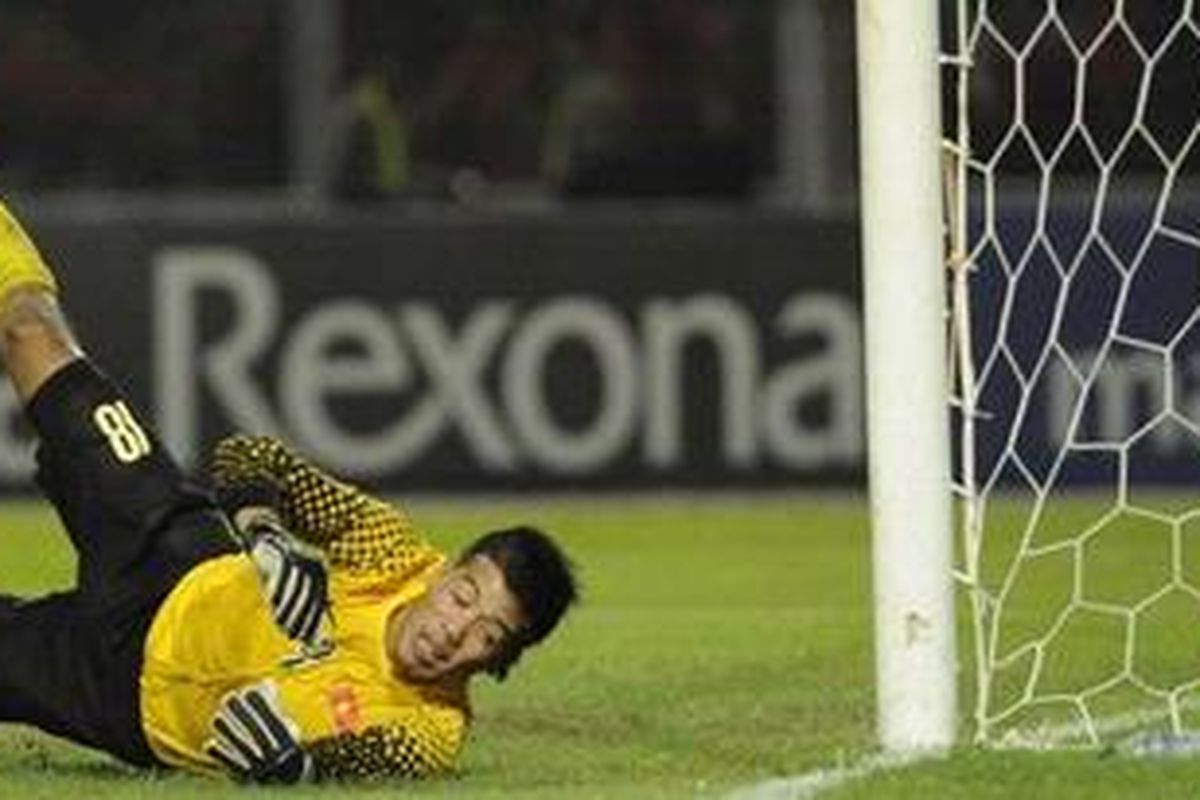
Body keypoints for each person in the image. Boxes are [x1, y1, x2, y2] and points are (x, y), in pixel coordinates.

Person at [0, 196, 578, 783]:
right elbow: (250, 455)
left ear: (498, 661)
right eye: (463, 597)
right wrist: (265, 533)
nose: (456, 632)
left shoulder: (429, 733)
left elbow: (337, 767)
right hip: (172, 557)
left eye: (487, 635)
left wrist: (288, 765)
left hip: (119, 698)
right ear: (447, 572)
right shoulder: (388, 552)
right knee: (31, 333)